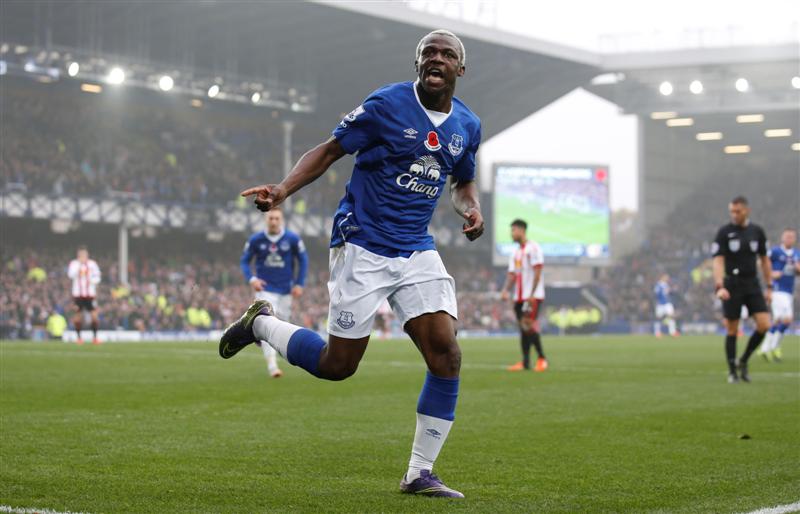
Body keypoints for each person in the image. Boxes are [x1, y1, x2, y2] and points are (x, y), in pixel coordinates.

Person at [219, 29, 482, 498]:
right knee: (337, 365)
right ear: (417, 64)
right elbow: (330, 150)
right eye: (428, 54)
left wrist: (470, 209)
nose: (435, 60)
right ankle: (261, 324)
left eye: (446, 55)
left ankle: (419, 471)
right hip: (363, 242)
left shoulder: (468, 126)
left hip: (417, 248)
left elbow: (462, 183)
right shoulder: (385, 105)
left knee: (447, 352)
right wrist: (282, 189)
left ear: (461, 69)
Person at [240, 207, 308, 377]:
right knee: (269, 323)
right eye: (271, 218)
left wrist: (299, 283)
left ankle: (260, 335)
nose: (274, 221)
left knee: (282, 325)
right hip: (265, 290)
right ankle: (272, 366)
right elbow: (244, 261)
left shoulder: (292, 239)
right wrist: (252, 279)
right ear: (266, 219)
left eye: (277, 218)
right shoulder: (256, 240)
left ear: (281, 220)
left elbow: (303, 260)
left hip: (286, 290)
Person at [712, 196, 772, 383]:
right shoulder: (724, 232)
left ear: (746, 210)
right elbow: (718, 260)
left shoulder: (757, 231)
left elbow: (764, 260)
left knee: (764, 325)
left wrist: (769, 286)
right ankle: (732, 372)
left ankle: (743, 360)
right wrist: (720, 285)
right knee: (732, 329)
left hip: (752, 283)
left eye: (737, 211)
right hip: (731, 284)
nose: (734, 215)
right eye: (731, 211)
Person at [500, 219, 548, 372]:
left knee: (527, 324)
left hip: (531, 296)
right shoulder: (515, 252)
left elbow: (538, 272)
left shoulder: (533, 248)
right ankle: (526, 362)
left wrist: (532, 294)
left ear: (522, 230)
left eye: (513, 230)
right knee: (523, 328)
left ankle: (542, 359)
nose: (511, 233)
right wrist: (506, 290)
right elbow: (512, 274)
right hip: (519, 297)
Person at [759, 228, 799, 362]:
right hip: (777, 290)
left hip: (789, 291)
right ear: (782, 238)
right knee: (786, 319)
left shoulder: (796, 254)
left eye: (792, 237)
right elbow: (763, 263)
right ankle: (772, 347)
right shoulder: (775, 252)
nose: (789, 239)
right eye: (787, 236)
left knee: (779, 321)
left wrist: (797, 268)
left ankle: (767, 348)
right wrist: (771, 274)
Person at [67, 245, 102, 345]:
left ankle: (95, 338)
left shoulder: (92, 264)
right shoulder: (74, 264)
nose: (83, 256)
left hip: (90, 295)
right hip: (78, 295)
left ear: (87, 255)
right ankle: (79, 338)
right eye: (81, 255)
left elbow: (98, 276)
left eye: (84, 254)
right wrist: (79, 266)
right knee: (78, 316)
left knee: (94, 316)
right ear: (78, 255)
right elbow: (70, 275)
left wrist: (93, 281)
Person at [653, 274, 679, 338]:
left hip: (667, 303)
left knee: (671, 316)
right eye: (666, 277)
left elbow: (669, 293)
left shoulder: (666, 285)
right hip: (660, 304)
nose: (667, 278)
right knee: (658, 318)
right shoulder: (658, 285)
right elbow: (656, 294)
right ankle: (657, 332)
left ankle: (672, 332)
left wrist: (673, 290)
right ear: (662, 277)